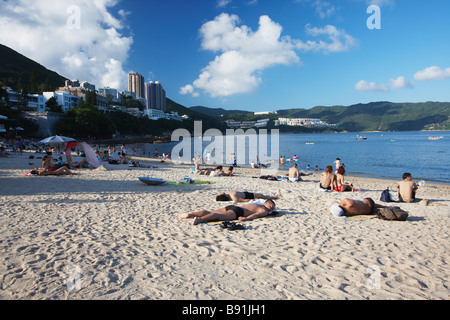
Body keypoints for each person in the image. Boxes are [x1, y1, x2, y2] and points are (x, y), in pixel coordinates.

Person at [177, 199, 277, 225]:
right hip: (238, 211)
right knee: (217, 216)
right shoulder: (263, 209)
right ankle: (199, 219)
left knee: (209, 212)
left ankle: (190, 214)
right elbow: (256, 215)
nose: (271, 209)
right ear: (267, 203)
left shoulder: (256, 203)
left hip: (233, 206)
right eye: (271, 206)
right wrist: (246, 218)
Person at [216, 191, 281, 203]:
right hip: (248, 195)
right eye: (220, 194)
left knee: (262, 195)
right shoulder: (233, 197)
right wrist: (253, 199)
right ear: (222, 195)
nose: (220, 193)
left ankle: (273, 197)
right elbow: (242, 200)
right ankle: (274, 197)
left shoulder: (227, 194)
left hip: (245, 193)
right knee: (262, 196)